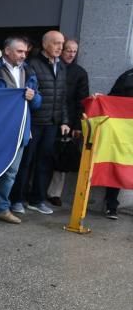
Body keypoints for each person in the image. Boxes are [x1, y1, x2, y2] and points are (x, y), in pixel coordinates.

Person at [0, 36, 42, 224]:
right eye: (20, 51)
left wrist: (33, 97)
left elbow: (38, 102)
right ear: (7, 51)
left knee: (11, 172)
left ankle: (1, 208)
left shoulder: (29, 71)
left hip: (19, 129)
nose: (24, 55)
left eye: (25, 52)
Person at [10, 30, 69, 216]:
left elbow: (62, 97)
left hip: (52, 122)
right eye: (56, 43)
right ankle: (16, 199)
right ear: (45, 45)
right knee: (25, 162)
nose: (60, 47)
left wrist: (64, 120)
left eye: (62, 43)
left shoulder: (61, 67)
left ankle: (37, 200)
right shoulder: (32, 65)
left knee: (44, 162)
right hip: (33, 121)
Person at [46, 39, 89, 206]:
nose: (71, 54)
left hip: (69, 121)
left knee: (62, 156)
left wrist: (77, 125)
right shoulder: (51, 67)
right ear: (61, 50)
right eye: (68, 50)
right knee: (43, 155)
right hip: (48, 118)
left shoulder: (80, 72)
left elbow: (82, 100)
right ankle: (34, 189)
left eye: (74, 51)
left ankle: (54, 193)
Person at [102, 67, 133, 218]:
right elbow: (112, 98)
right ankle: (111, 205)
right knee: (119, 164)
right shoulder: (127, 76)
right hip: (124, 130)